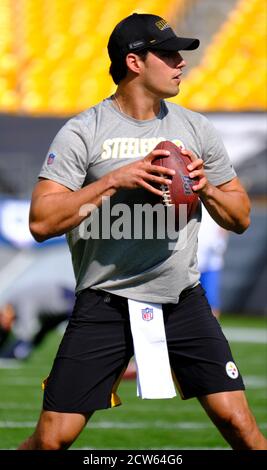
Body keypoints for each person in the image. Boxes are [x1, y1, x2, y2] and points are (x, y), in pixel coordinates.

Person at [18, 13, 266, 450]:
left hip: (181, 299)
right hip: (105, 301)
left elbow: (240, 217)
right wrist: (115, 179)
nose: (180, 63)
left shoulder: (195, 128)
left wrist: (205, 185)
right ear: (135, 62)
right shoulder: (84, 131)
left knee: (240, 424)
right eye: (168, 54)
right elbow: (41, 221)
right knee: (52, 439)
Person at [198, 205, 228, 318]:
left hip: (211, 261)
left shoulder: (215, 201)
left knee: (211, 303)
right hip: (189, 261)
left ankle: (212, 334)